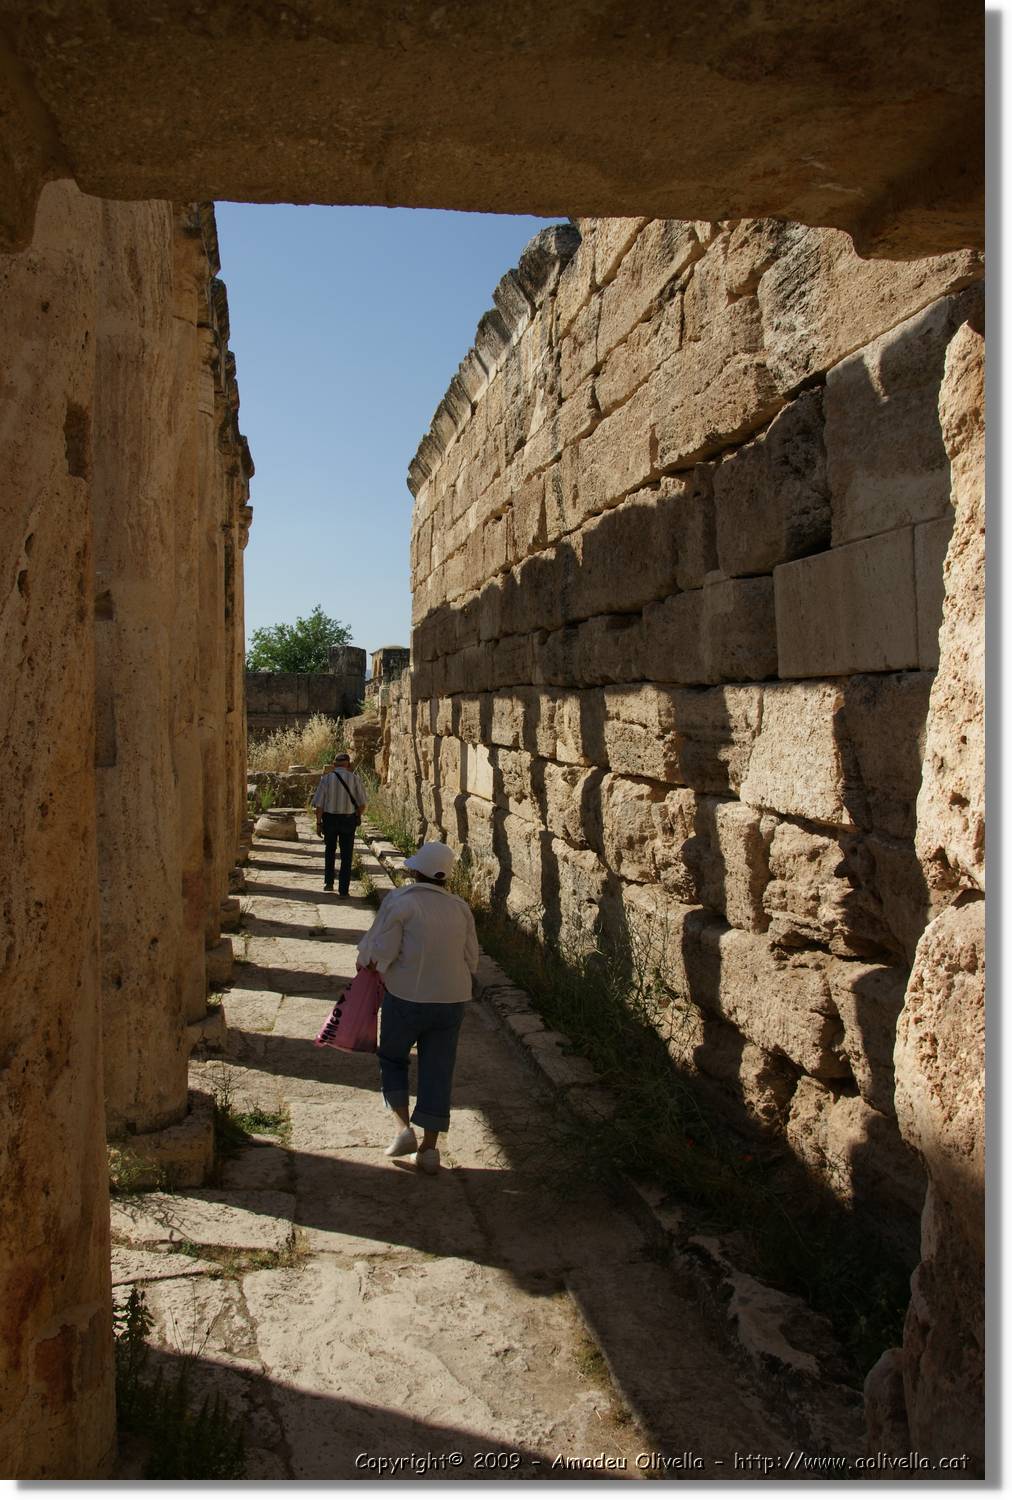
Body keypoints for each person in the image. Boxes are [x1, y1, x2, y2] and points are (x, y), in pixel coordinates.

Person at [356, 841, 479, 1174]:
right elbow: (473, 958)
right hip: (451, 1000)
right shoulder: (460, 908)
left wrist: (366, 963)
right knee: (438, 1069)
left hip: (407, 996)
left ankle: (402, 1129)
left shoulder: (401, 902)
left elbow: (382, 951)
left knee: (393, 1059)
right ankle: (429, 1150)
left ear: (414, 871)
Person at [312, 752, 367, 896]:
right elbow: (362, 804)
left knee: (329, 851)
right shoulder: (355, 779)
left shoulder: (326, 779)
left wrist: (319, 823)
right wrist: (355, 816)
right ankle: (344, 890)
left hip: (329, 819)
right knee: (346, 855)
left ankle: (329, 883)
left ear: (334, 765)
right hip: (348, 820)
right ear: (348, 764)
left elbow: (319, 805)